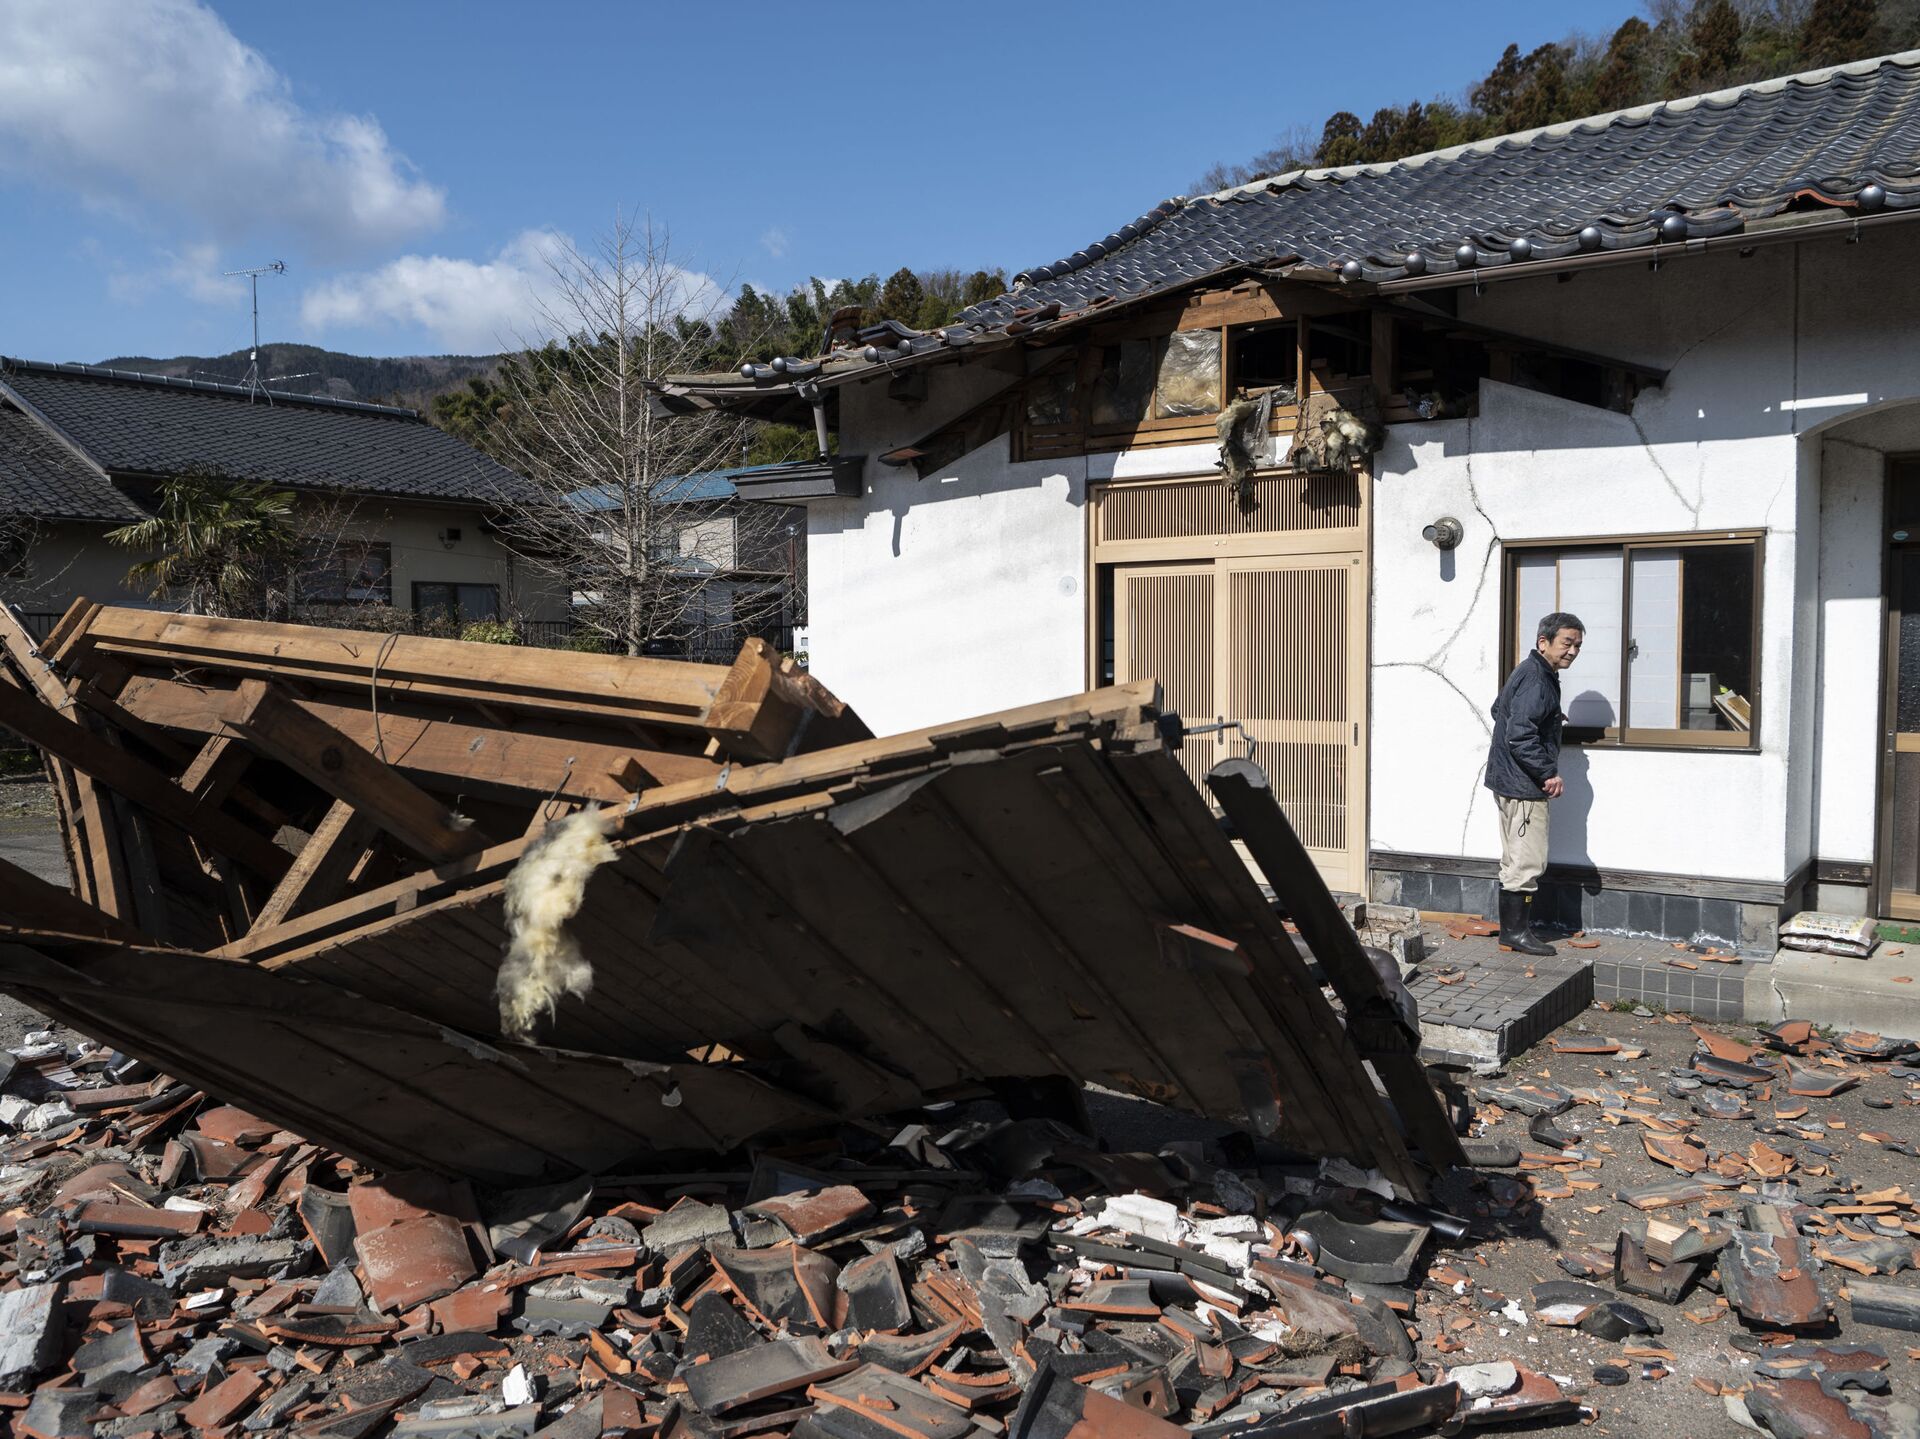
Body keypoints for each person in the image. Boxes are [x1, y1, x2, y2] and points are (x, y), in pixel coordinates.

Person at [1485, 612, 1584, 956]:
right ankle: (1516, 933)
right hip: (1524, 787)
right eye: (1567, 643)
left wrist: (1551, 717)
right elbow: (1520, 734)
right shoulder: (1538, 679)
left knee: (1514, 859)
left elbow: (1502, 710)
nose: (1572, 650)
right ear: (1544, 642)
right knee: (1527, 861)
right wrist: (1547, 773)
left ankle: (1512, 931)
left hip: (1508, 781)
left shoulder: (1529, 672)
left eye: (1577, 645)